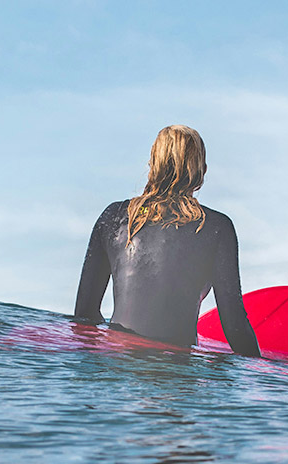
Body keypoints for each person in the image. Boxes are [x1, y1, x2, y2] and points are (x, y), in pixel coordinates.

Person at [74, 125, 260, 357]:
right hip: (177, 372)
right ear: (201, 171)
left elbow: (84, 316)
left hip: (118, 368)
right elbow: (234, 328)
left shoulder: (113, 217)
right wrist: (267, 373)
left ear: (152, 164)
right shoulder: (216, 228)